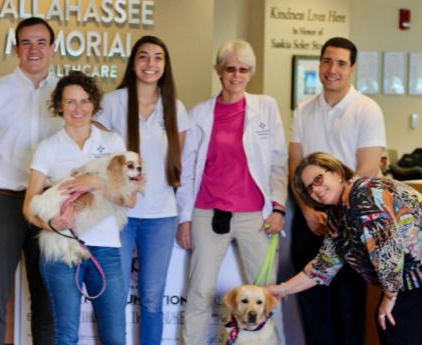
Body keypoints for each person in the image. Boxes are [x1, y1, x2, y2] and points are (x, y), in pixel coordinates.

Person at [176, 40, 288, 345]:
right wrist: (184, 218)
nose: (236, 76)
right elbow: (187, 170)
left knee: (267, 293)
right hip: (207, 212)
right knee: (199, 290)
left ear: (250, 73)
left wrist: (278, 207)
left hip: (255, 216)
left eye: (243, 70)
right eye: (230, 69)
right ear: (219, 71)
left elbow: (279, 162)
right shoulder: (200, 113)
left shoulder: (266, 107)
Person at [0, 17, 59, 345]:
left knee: (47, 299)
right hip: (2, 203)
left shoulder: (66, 96)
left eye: (41, 42)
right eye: (26, 43)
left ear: (53, 48)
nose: (34, 50)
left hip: (47, 207)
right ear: (16, 49)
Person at [289, 36, 386, 345]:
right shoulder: (303, 110)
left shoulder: (366, 109)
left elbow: (368, 168)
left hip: (351, 220)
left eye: (341, 63)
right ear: (319, 64)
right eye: (327, 61)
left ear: (352, 69)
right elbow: (295, 167)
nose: (333, 69)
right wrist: (307, 211)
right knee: (314, 309)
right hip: (310, 219)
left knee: (348, 309)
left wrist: (339, 217)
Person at [268, 152, 422, 345]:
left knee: (394, 327)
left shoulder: (361, 194)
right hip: (406, 279)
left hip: (413, 277)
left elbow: (387, 248)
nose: (316, 189)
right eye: (309, 188)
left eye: (318, 178)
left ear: (336, 173)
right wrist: (281, 290)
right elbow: (323, 266)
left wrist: (389, 297)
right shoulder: (337, 214)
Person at [23, 71, 131, 345]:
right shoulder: (48, 148)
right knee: (65, 336)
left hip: (106, 249)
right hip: (62, 249)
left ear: (93, 103)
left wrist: (95, 182)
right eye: (70, 102)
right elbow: (28, 207)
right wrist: (52, 225)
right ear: (59, 105)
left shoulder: (112, 143)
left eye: (84, 101)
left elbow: (129, 200)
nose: (78, 109)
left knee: (115, 337)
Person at [96, 35, 189, 345]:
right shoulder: (112, 102)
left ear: (165, 65)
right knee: (115, 295)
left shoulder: (174, 107)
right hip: (119, 213)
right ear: (134, 63)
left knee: (151, 299)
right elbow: (96, 153)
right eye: (144, 57)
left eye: (158, 57)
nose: (151, 64)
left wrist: (184, 214)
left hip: (161, 216)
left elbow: (182, 168)